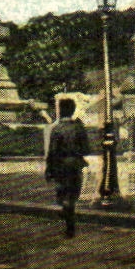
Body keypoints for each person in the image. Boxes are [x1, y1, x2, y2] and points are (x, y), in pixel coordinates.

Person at [45, 100, 91, 238]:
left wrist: (49, 169)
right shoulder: (78, 128)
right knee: (73, 195)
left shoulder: (56, 129)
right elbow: (86, 149)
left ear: (60, 110)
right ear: (73, 110)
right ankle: (70, 224)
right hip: (75, 165)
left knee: (63, 193)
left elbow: (52, 151)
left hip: (60, 165)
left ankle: (66, 214)